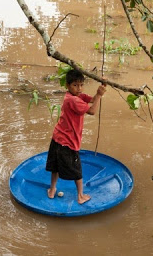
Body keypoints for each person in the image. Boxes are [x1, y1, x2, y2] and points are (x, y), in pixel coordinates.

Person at [46, 69, 106, 204]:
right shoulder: (73, 100)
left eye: (81, 85)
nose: (79, 88)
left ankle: (52, 190)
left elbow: (91, 99)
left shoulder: (75, 96)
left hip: (57, 138)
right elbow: (92, 110)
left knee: (55, 167)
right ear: (67, 86)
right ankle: (80, 196)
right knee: (77, 170)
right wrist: (100, 95)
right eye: (75, 85)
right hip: (67, 142)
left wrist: (99, 91)